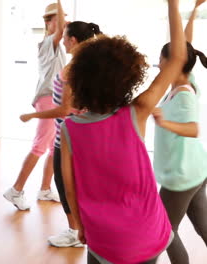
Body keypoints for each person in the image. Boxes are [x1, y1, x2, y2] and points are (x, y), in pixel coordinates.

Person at [59, 0, 186, 262]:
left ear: (79, 80)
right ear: (127, 78)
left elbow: (69, 189)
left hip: (101, 238)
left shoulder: (70, 129)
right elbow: (178, 58)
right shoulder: (136, 112)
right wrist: (173, 4)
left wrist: (81, 227)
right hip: (145, 236)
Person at [19, 20, 102, 248]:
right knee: (77, 185)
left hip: (66, 139)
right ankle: (82, 230)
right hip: (82, 136)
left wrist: (32, 116)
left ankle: (75, 233)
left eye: (64, 37)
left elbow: (65, 109)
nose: (62, 41)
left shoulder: (71, 70)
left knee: (66, 186)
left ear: (73, 40)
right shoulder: (90, 65)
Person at [153, 0, 207, 262]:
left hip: (182, 177)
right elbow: (185, 44)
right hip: (197, 171)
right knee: (203, 225)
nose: (159, 61)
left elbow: (192, 128)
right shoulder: (188, 80)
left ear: (171, 60)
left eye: (161, 57)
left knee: (165, 231)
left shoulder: (184, 95)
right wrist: (194, 12)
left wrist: (164, 122)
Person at [3, 0, 65, 211]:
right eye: (61, 19)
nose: (66, 23)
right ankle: (16, 190)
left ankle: (45, 188)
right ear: (50, 22)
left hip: (53, 98)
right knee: (40, 146)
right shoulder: (50, 42)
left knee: (53, 148)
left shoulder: (56, 44)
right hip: (48, 98)